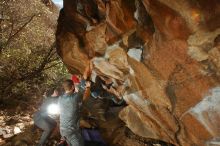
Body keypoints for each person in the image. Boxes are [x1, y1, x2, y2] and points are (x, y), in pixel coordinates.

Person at [58, 64, 92, 146]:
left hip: (62, 129)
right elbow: (85, 98)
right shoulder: (75, 97)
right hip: (71, 131)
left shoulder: (60, 98)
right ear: (73, 87)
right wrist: (88, 87)